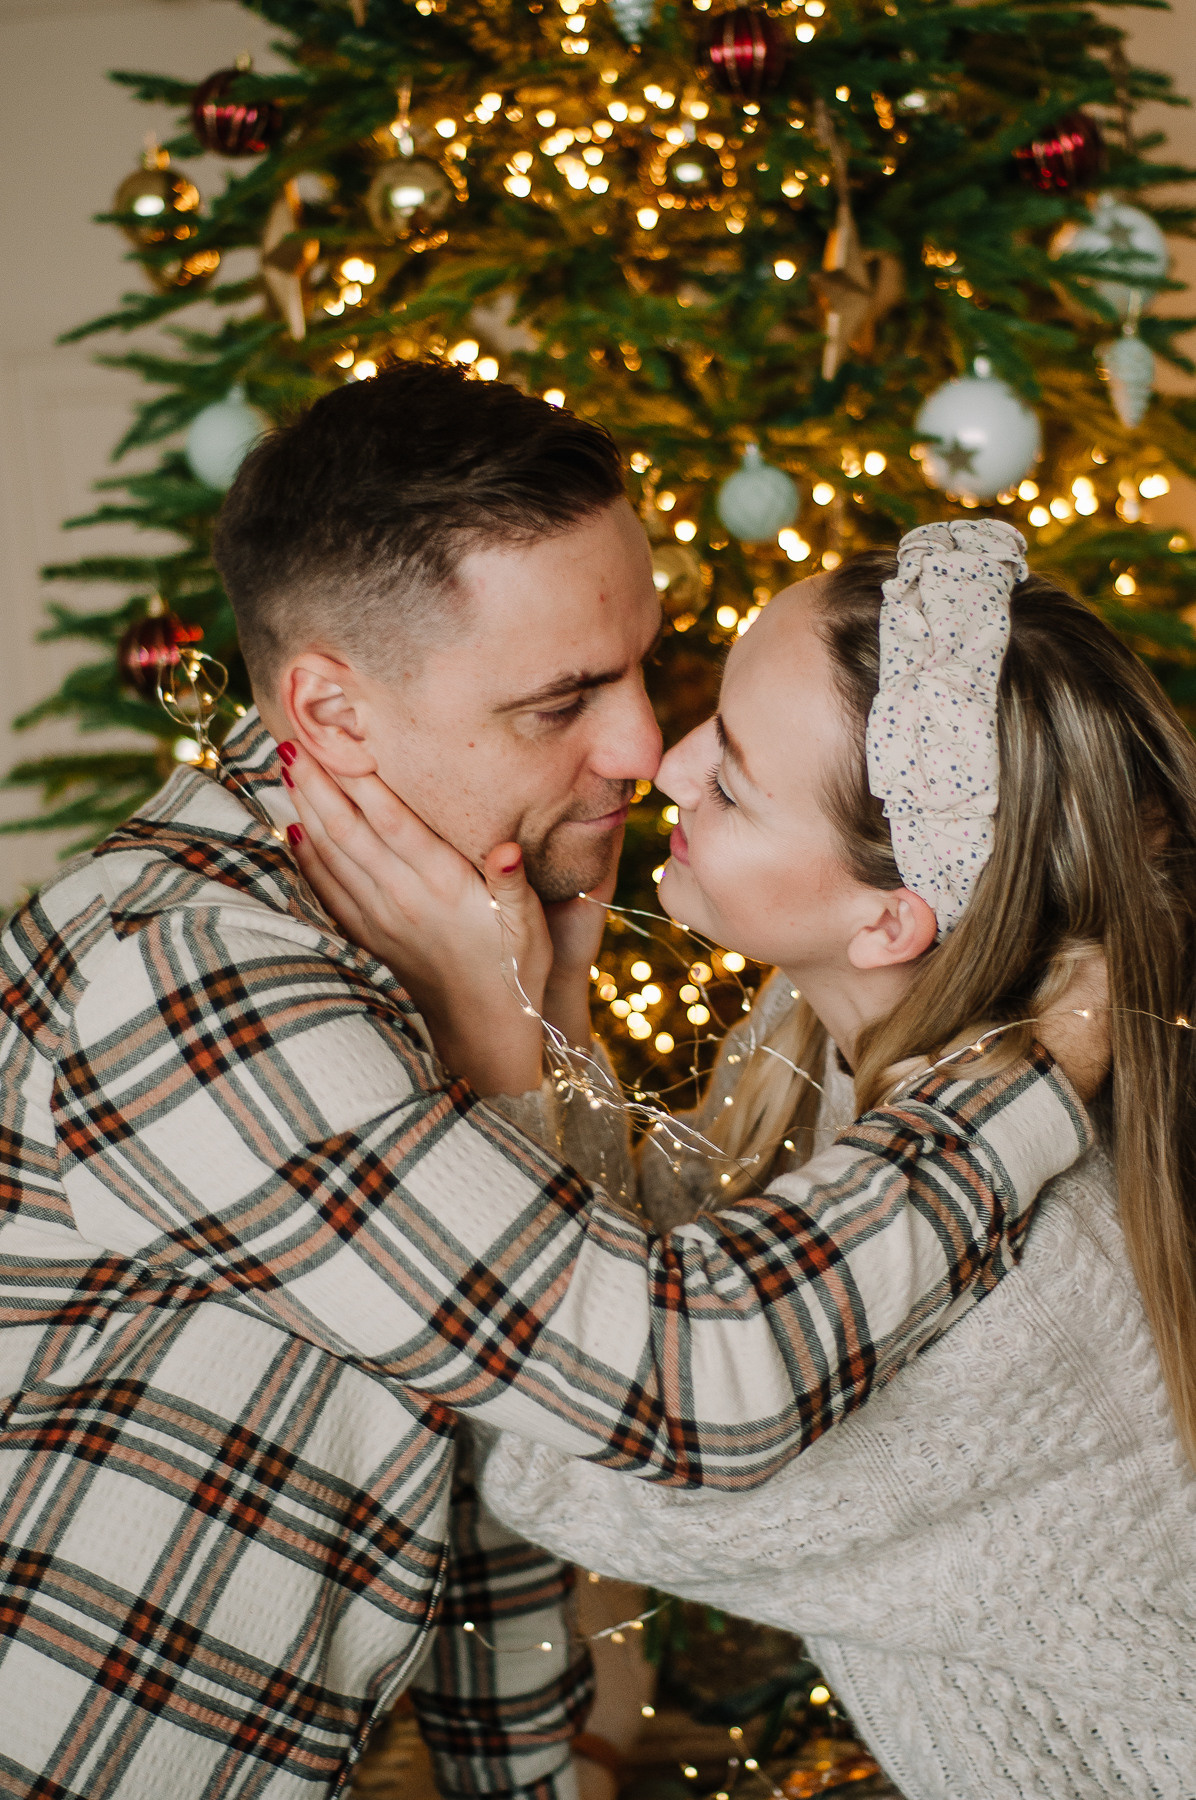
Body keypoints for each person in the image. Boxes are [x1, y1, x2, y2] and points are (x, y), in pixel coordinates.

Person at [0, 366, 1100, 1800]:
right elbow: (689, 1383)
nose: (645, 748)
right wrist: (1039, 1066)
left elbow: (493, 1402)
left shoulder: (451, 933)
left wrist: (521, 1773)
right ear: (330, 715)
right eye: (562, 700)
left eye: (642, 663)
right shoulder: (195, 981)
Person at [285, 516, 1196, 1797]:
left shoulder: (1031, 1286)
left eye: (735, 781)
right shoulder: (855, 1065)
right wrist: (547, 994)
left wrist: (493, 1039)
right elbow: (665, 1260)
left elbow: (584, 1451)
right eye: (709, 714)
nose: (667, 764)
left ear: (888, 918)